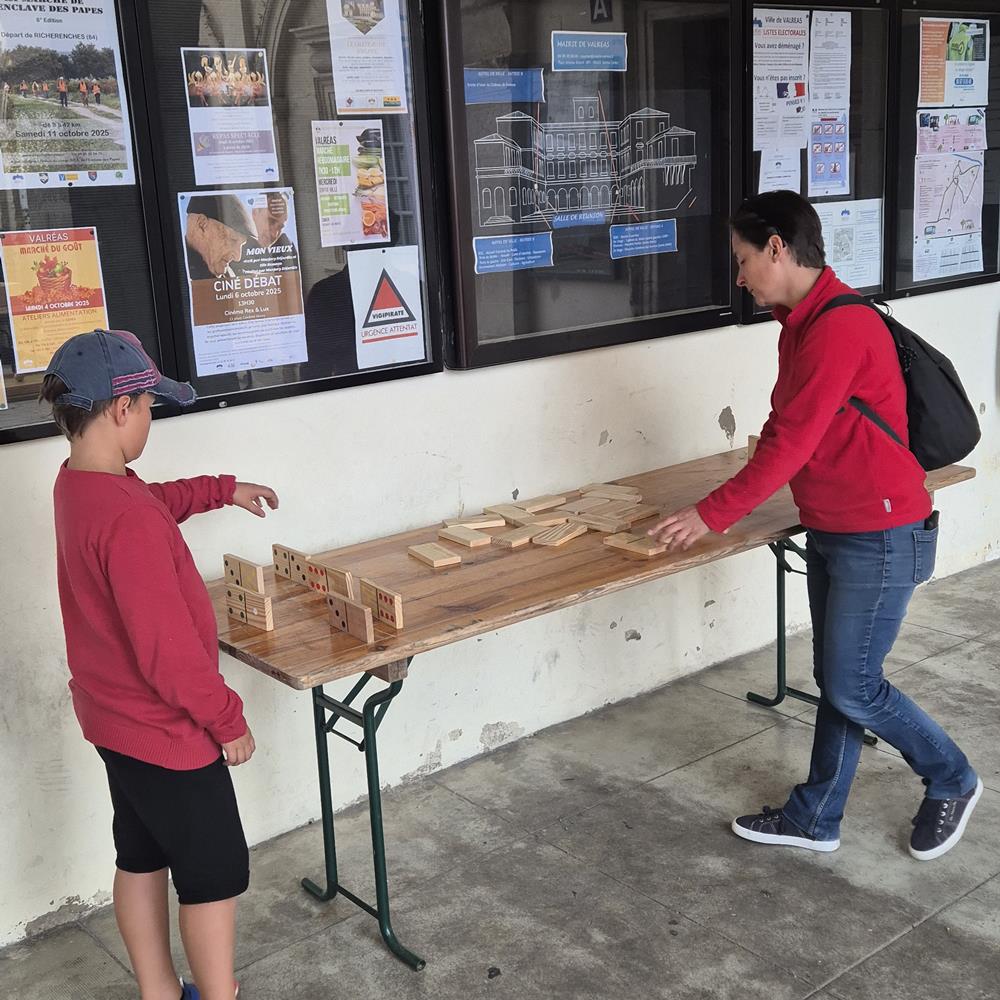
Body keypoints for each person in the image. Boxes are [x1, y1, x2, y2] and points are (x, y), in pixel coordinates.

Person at [649, 190, 981, 862]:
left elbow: (792, 442)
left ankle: (952, 776)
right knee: (841, 677)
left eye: (743, 260)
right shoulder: (800, 322)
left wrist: (711, 514)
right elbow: (787, 424)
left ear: (778, 246)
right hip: (837, 526)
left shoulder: (837, 326)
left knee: (854, 683)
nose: (738, 277)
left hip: (880, 535)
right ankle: (817, 817)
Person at [40, 328, 278, 1000]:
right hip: (170, 733)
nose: (150, 419)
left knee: (141, 854)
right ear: (122, 410)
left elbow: (151, 503)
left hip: (114, 723)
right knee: (214, 872)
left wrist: (220, 489)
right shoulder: (128, 520)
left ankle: (157, 991)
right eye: (149, 407)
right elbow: (168, 655)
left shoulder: (80, 487)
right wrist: (227, 721)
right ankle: (218, 994)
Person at [184, 194, 256, 279]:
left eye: (241, 245)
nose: (237, 257)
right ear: (202, 224)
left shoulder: (230, 276)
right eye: (232, 240)